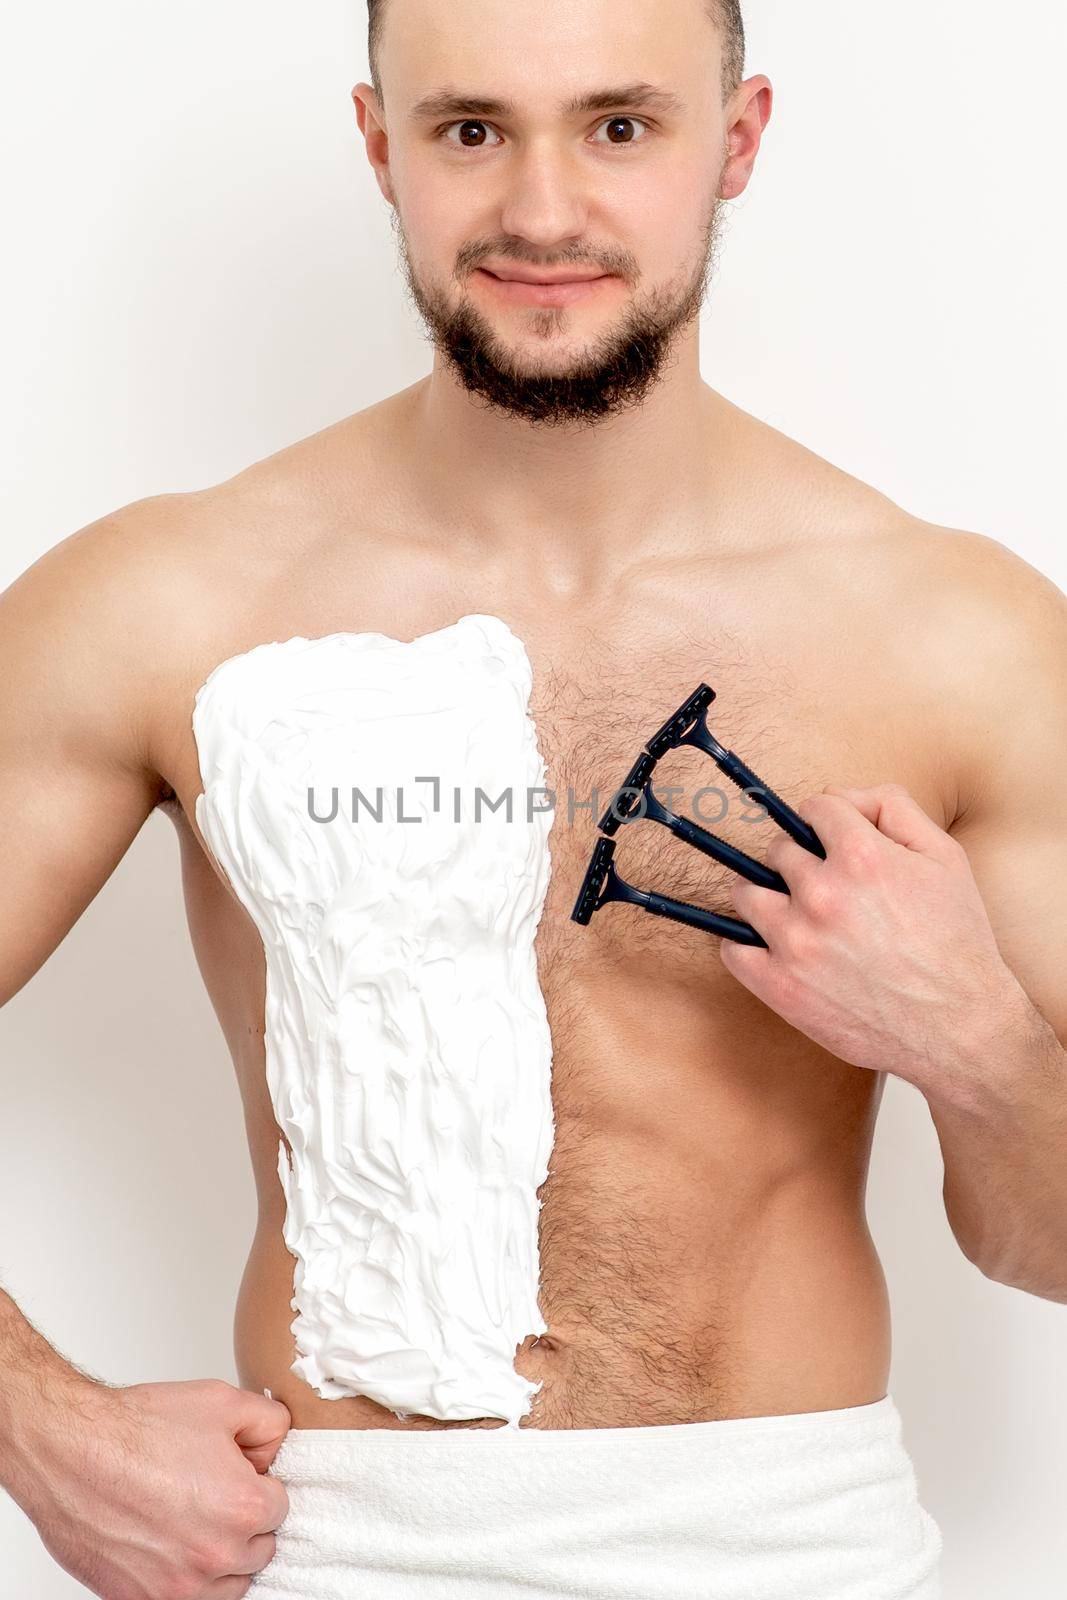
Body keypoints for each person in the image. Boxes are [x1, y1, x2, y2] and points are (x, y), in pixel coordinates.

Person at [2, 1, 1065, 1596]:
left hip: (804, 1550)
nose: (544, 210)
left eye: (620, 127)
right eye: (470, 130)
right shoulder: (167, 602)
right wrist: (43, 1434)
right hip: (339, 1555)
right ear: (382, 145)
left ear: (741, 139)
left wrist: (975, 1045)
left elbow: (1041, 1248)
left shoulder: (954, 637)